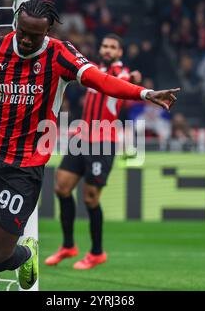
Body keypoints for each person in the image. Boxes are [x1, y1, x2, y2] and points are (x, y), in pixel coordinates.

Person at [0, 0, 179, 291]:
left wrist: (145, 93)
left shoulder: (60, 55)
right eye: (21, 31)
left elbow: (101, 80)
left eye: (33, 35)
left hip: (22, 168)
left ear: (47, 31)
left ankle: (26, 254)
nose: (24, 39)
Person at [44, 34, 142, 269]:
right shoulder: (91, 70)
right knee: (62, 187)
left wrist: (137, 77)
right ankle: (68, 246)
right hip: (82, 137)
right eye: (104, 46)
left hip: (104, 141)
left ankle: (97, 252)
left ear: (119, 53)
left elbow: (128, 81)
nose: (107, 50)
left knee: (90, 197)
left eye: (112, 47)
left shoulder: (123, 74)